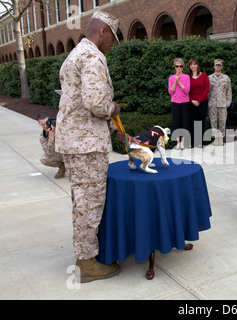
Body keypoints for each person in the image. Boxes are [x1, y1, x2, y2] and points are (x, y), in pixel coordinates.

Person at [55, 10, 123, 283]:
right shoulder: (93, 56)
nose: (112, 45)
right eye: (112, 39)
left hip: (75, 140)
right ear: (102, 31)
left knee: (81, 200)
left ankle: (85, 254)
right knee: (89, 202)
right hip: (86, 144)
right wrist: (114, 108)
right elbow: (95, 102)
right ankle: (86, 263)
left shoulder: (74, 54)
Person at [208, 59, 232, 146]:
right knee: (213, 122)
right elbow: (207, 92)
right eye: (216, 65)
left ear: (221, 67)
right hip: (212, 103)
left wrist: (228, 101)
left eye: (219, 65)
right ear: (214, 66)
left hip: (222, 103)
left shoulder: (226, 78)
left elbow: (229, 91)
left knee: (222, 121)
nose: (218, 67)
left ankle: (221, 138)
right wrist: (207, 102)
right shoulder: (209, 78)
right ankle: (215, 138)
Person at [168, 58, 190, 150]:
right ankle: (177, 142)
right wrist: (175, 81)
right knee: (176, 122)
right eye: (177, 66)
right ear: (175, 67)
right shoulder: (171, 78)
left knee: (184, 122)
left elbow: (187, 91)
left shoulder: (186, 77)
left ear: (183, 67)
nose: (179, 68)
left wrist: (179, 82)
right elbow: (171, 92)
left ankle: (183, 142)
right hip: (175, 102)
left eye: (180, 66)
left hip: (185, 102)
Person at [188, 58, 210, 148]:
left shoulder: (204, 75)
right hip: (191, 102)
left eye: (194, 64)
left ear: (197, 65)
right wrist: (192, 100)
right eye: (191, 64)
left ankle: (199, 142)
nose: (193, 66)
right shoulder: (187, 77)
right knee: (192, 122)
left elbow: (207, 89)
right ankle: (192, 142)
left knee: (200, 122)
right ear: (189, 66)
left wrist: (199, 100)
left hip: (202, 102)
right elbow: (186, 91)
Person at [36, 112, 65, 179]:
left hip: (68, 153)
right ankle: (63, 166)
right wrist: (51, 138)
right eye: (42, 124)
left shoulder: (61, 128)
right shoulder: (43, 136)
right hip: (59, 155)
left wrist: (58, 131)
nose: (45, 126)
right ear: (39, 124)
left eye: (47, 123)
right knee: (44, 159)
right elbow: (49, 153)